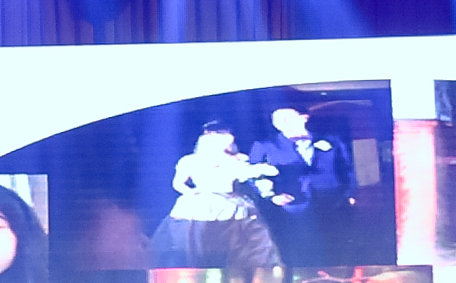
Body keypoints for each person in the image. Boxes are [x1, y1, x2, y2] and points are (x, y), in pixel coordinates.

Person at [149, 123, 279, 268]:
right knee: (196, 243)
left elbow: (248, 174)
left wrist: (261, 171)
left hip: (231, 203)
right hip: (200, 204)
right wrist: (190, 192)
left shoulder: (237, 160)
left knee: (241, 242)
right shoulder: (190, 161)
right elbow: (178, 183)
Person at [248, 107, 356, 264]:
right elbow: (254, 176)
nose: (283, 121)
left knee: (335, 247)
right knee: (298, 250)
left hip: (331, 201)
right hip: (291, 205)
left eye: (287, 116)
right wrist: (271, 196)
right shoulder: (264, 145)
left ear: (304, 118)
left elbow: (346, 168)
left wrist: (349, 194)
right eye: (277, 118)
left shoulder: (331, 140)